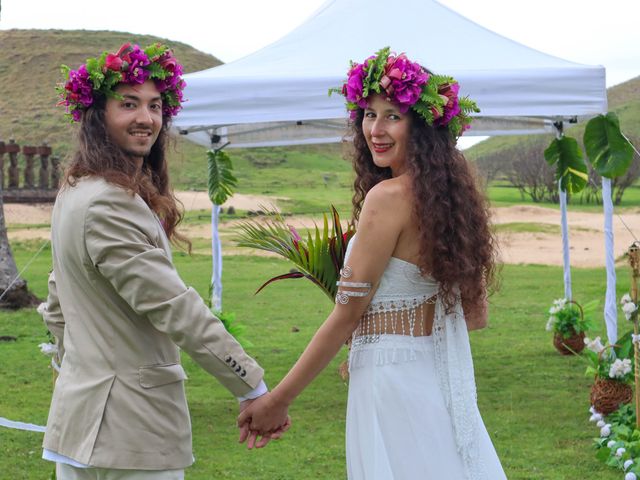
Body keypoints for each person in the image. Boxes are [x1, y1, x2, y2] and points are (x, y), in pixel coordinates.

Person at [238, 47, 506, 479]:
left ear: (421, 126)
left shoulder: (387, 198)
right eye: (368, 114)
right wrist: (378, 335)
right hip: (431, 375)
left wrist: (278, 400)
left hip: (391, 383)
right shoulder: (451, 202)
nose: (375, 130)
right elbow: (474, 314)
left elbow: (346, 317)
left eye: (392, 116)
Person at [40, 42, 288, 480]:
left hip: (79, 430)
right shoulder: (109, 203)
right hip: (132, 435)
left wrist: (74, 374)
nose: (146, 118)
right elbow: (174, 306)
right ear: (98, 115)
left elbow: (58, 306)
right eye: (129, 104)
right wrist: (252, 385)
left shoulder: (74, 193)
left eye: (155, 106)